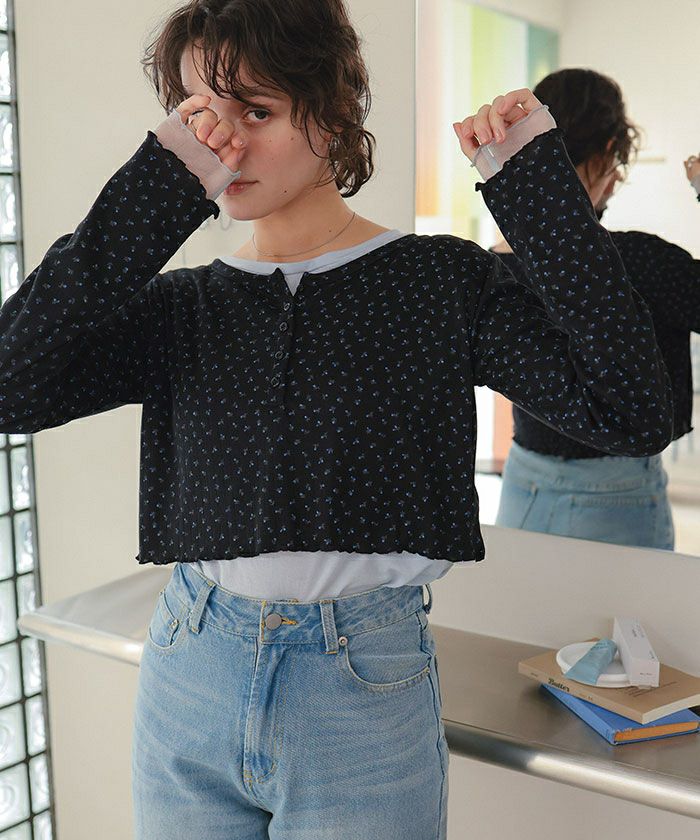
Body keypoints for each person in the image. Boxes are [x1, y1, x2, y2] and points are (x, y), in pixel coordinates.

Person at [0, 2, 673, 836]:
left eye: (256, 111)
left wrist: (538, 195)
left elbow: (631, 411)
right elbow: (11, 385)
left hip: (359, 693)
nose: (225, 144)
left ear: (332, 113)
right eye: (200, 115)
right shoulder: (184, 308)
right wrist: (154, 192)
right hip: (189, 671)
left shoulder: (438, 283)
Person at [492, 68, 699, 552]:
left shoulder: (497, 265)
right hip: (615, 496)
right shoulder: (643, 262)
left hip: (520, 485)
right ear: (608, 153)